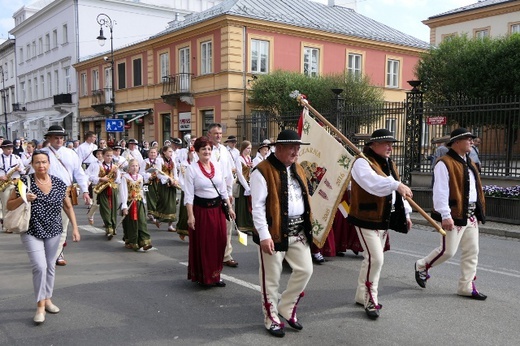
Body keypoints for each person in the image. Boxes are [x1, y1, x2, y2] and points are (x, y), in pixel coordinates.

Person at [250, 129, 314, 338]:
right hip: (274, 232)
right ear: (279, 148)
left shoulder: (297, 168)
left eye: (298, 148)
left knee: (305, 270)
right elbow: (257, 207)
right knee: (271, 279)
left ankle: (286, 306)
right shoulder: (262, 170)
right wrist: (264, 235)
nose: (296, 152)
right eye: (292, 148)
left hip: (298, 231)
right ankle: (271, 318)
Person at [7, 150, 79, 324]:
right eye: (37, 162)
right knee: (40, 267)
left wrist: (75, 228)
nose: (41, 165)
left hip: (54, 230)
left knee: (50, 267)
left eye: (44, 162)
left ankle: (48, 299)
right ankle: (40, 306)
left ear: (49, 164)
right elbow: (9, 205)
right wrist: (24, 199)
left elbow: (68, 206)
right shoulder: (24, 182)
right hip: (32, 230)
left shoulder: (58, 183)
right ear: (32, 164)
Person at [347, 129, 413, 320]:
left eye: (391, 143)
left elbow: (399, 191)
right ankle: (370, 298)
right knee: (376, 258)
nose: (390, 147)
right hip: (365, 218)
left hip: (382, 218)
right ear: (373, 145)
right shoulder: (362, 162)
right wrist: (395, 185)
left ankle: (361, 294)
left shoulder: (389, 163)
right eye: (386, 143)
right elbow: (372, 184)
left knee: (371, 259)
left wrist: (406, 212)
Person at [415, 128, 487, 300]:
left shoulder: (469, 161)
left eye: (471, 139)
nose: (471, 141)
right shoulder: (444, 163)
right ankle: (422, 266)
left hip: (470, 214)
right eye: (468, 139)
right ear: (456, 142)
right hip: (454, 214)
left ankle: (466, 286)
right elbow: (440, 191)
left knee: (472, 251)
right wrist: (445, 215)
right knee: (448, 251)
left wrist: (478, 210)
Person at [185, 136, 235, 287]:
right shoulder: (191, 169)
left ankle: (216, 274)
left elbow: (223, 190)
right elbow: (188, 195)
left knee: (220, 242)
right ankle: (205, 277)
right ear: (197, 152)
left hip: (218, 210)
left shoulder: (216, 166)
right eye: (203, 149)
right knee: (206, 245)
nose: (206, 152)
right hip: (201, 211)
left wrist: (230, 207)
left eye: (209, 149)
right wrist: (191, 216)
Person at [41, 125, 91, 266]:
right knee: (48, 224)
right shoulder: (42, 153)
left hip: (66, 192)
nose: (59, 140)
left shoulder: (71, 154)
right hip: (46, 193)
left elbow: (79, 173)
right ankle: (49, 252)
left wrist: (85, 191)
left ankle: (57, 253)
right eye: (56, 138)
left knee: (63, 225)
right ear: (49, 138)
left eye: (61, 138)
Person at [207, 123, 238, 267]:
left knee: (227, 224)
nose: (218, 136)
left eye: (220, 133)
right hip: (210, 192)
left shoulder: (225, 150)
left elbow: (229, 173)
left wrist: (230, 192)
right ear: (209, 135)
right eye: (215, 133)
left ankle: (226, 254)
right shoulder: (206, 150)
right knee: (213, 226)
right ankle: (212, 253)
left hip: (224, 192)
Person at [119, 159, 153, 251]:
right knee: (131, 223)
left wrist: (143, 200)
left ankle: (145, 242)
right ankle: (131, 241)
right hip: (130, 202)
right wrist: (124, 206)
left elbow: (142, 189)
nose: (135, 168)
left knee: (142, 221)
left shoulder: (140, 177)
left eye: (136, 166)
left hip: (139, 202)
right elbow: (123, 192)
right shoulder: (125, 177)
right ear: (129, 168)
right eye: (133, 166)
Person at [86, 148, 121, 239]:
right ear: (103, 156)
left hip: (112, 189)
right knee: (105, 209)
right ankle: (108, 227)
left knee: (113, 209)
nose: (109, 157)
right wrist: (100, 179)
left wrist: (116, 174)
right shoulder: (98, 165)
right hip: (101, 190)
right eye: (107, 156)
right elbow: (89, 176)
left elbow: (118, 180)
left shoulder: (115, 166)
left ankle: (112, 227)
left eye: (110, 156)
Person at [0, 140, 25, 233]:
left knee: (16, 205)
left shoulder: (16, 158)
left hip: (15, 182)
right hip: (4, 183)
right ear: (3, 149)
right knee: (6, 205)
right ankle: (6, 226)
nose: (10, 150)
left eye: (11, 148)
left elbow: (23, 171)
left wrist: (20, 170)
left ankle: (14, 224)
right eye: (8, 149)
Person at [155, 145, 180, 231]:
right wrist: (167, 179)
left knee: (172, 204)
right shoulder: (159, 160)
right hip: (163, 184)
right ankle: (159, 219)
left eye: (171, 152)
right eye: (169, 151)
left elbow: (175, 172)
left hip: (172, 185)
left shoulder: (173, 161)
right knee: (164, 203)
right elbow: (158, 173)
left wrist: (175, 180)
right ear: (164, 152)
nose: (171, 153)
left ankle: (170, 225)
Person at [234, 140, 255, 232]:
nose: (249, 150)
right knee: (243, 206)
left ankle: (249, 225)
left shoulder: (249, 158)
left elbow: (250, 172)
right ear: (243, 148)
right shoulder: (239, 159)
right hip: (243, 185)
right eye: (247, 148)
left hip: (249, 183)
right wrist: (246, 187)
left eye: (250, 148)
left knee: (249, 206)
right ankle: (242, 226)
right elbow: (240, 174)